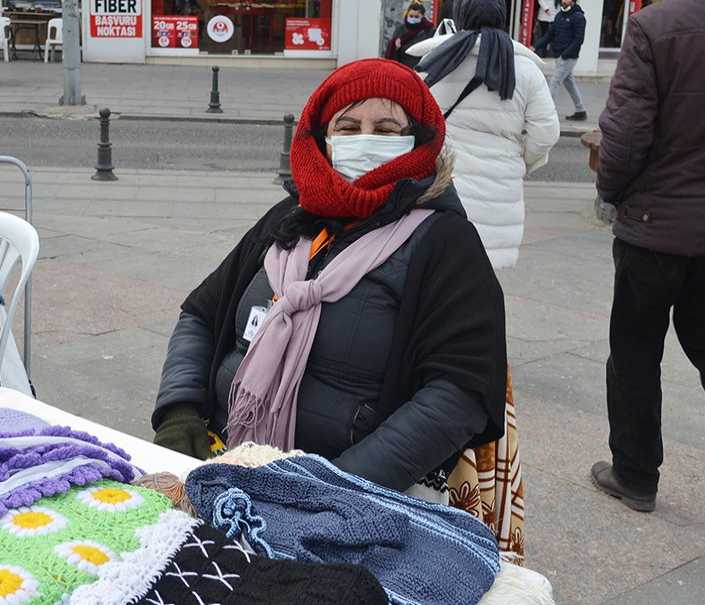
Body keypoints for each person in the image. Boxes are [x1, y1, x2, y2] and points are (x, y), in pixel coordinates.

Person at [152, 59, 507, 501]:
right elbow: (201, 315)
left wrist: (333, 486)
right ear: (324, 138)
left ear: (417, 139)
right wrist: (179, 411)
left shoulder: (446, 240)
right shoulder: (290, 217)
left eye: (386, 129)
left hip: (349, 494)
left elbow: (459, 393)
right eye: (349, 126)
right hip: (224, 464)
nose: (366, 140)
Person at [592, 0, 705, 540]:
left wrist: (611, 192)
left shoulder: (654, 26)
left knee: (636, 346)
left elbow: (627, 131)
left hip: (655, 222)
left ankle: (635, 474)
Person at [411, 0, 559, 270]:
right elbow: (546, 133)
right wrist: (521, 161)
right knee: (483, 283)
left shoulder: (435, 64)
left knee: (439, 279)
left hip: (443, 191)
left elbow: (413, 125)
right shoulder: (526, 70)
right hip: (499, 196)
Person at [534, 0, 586, 121]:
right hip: (559, 55)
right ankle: (580, 110)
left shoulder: (578, 17)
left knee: (554, 81)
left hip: (569, 56)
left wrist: (565, 54)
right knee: (569, 83)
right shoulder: (559, 15)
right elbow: (549, 35)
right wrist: (536, 46)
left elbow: (579, 39)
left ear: (573, 1)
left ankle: (546, 113)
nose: (563, 0)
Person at [385, 3, 435, 69]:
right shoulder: (400, 29)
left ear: (422, 17)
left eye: (416, 17)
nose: (413, 18)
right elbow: (393, 50)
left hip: (420, 68)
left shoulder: (429, 30)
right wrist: (396, 47)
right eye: (411, 16)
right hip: (403, 67)